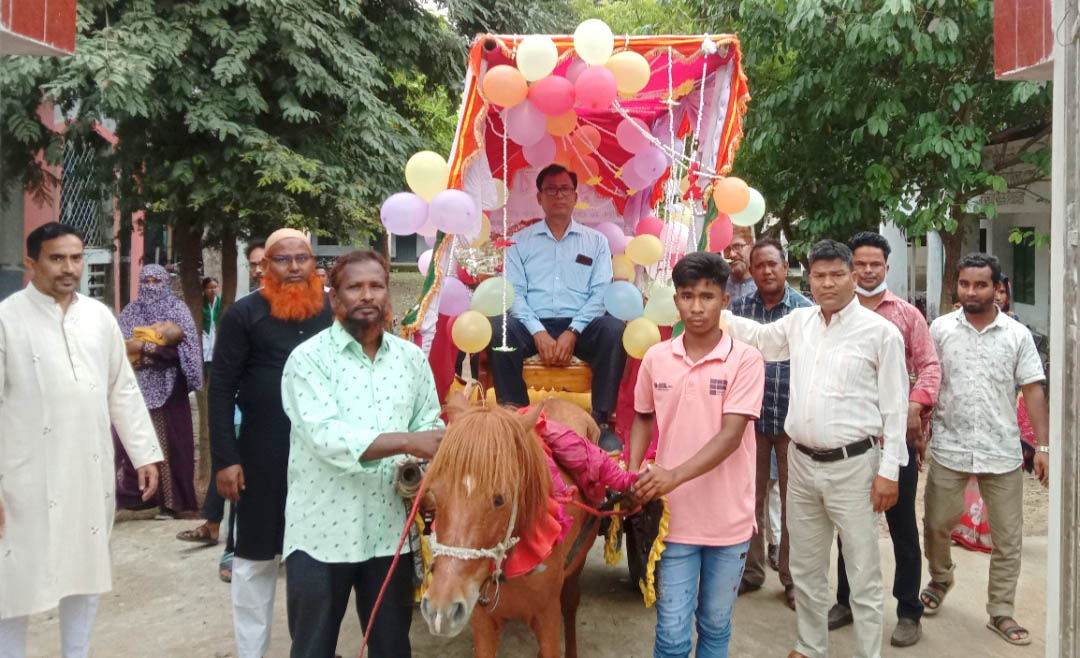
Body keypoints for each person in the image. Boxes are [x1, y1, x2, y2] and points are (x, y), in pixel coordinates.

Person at [721, 239, 909, 658]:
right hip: (801, 462)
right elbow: (760, 339)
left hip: (855, 466)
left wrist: (890, 471)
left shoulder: (881, 333)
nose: (827, 283)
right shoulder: (800, 322)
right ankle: (809, 646)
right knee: (806, 567)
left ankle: (867, 653)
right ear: (808, 277)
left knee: (862, 572)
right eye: (819, 275)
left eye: (837, 274)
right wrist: (716, 312)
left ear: (853, 277)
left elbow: (896, 408)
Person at [0, 222, 162, 658]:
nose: (69, 268)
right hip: (22, 477)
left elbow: (121, 388)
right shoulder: (7, 319)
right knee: (11, 581)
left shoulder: (98, 317)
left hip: (87, 468)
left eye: (76, 258)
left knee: (85, 569)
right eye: (57, 258)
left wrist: (144, 454)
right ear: (31, 263)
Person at [281, 250, 444, 657]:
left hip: (390, 534)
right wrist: (406, 442)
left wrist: (422, 465)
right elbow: (327, 438)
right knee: (312, 649)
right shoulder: (308, 359)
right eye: (355, 287)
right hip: (321, 535)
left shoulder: (411, 360)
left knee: (392, 647)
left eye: (376, 286)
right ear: (335, 297)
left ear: (388, 293)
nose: (367, 295)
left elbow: (429, 425)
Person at [629, 251, 765, 658]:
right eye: (687, 296)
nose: (697, 307)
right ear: (676, 301)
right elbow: (642, 417)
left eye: (707, 296)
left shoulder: (746, 360)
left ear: (725, 300)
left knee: (715, 625)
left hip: (729, 521)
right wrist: (632, 473)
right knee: (671, 634)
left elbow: (731, 436)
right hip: (672, 520)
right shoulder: (656, 358)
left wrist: (672, 476)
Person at [210, 228, 334, 658]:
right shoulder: (243, 315)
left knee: (318, 557)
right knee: (255, 558)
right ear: (265, 266)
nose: (295, 267)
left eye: (303, 258)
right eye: (283, 259)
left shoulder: (332, 311)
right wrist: (225, 459)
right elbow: (220, 389)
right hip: (262, 453)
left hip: (323, 455)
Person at [920, 253, 1049, 647]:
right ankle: (941, 577)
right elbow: (928, 380)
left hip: (1001, 451)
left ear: (997, 288)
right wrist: (920, 429)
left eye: (980, 284)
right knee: (936, 525)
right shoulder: (940, 329)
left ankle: (1000, 610)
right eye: (965, 284)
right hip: (949, 447)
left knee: (1008, 539)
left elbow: (1033, 389)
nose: (971, 292)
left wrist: (1042, 446)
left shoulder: (1017, 335)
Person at [828, 231, 941, 647]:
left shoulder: (907, 315)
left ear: (886, 267)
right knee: (849, 526)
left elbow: (930, 367)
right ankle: (845, 601)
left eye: (875, 264)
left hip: (895, 441)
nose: (868, 270)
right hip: (848, 440)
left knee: (901, 528)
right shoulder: (836, 315)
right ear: (850, 268)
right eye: (860, 264)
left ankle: (909, 611)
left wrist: (914, 404)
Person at [489, 164, 626, 433]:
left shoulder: (596, 242)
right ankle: (516, 419)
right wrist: (538, 332)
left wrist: (573, 331)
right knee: (500, 329)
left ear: (575, 196)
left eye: (565, 189)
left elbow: (600, 293)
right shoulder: (519, 242)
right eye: (551, 190)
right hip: (531, 324)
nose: (559, 195)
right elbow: (513, 293)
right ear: (539, 197)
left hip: (582, 325)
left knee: (614, 329)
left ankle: (601, 420)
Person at [728, 238, 811, 609]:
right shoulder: (738, 310)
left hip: (794, 422)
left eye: (772, 264)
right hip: (751, 420)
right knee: (749, 499)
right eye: (759, 265)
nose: (766, 271)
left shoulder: (805, 312)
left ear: (785, 266)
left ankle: (792, 579)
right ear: (751, 270)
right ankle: (750, 572)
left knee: (796, 503)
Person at [115, 264, 203, 518]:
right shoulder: (131, 311)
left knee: (172, 446)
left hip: (170, 390)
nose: (152, 286)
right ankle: (137, 499)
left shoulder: (178, 310)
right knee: (131, 442)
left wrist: (144, 349)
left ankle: (172, 504)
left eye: (157, 281)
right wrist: (148, 353)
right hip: (135, 389)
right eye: (147, 281)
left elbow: (184, 352)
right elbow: (119, 347)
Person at [722, 226, 757, 301]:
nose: (732, 254)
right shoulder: (719, 288)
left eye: (737, 246)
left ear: (752, 246)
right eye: (726, 249)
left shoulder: (767, 287)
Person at [202, 277, 222, 364]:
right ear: (204, 289)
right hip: (203, 332)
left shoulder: (221, 301)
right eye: (209, 288)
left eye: (215, 287)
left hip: (217, 331)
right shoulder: (200, 302)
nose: (213, 290)